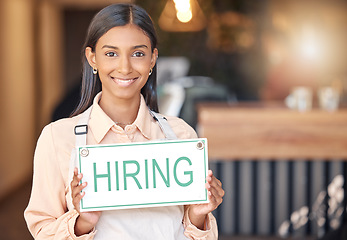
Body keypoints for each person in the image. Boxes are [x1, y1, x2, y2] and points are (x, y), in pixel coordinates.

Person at [24, 3, 224, 239]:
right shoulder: (57, 138)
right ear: (92, 58)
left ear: (152, 59)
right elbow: (42, 232)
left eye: (138, 53)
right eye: (111, 53)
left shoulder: (181, 135)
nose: (125, 67)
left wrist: (197, 217)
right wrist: (82, 223)